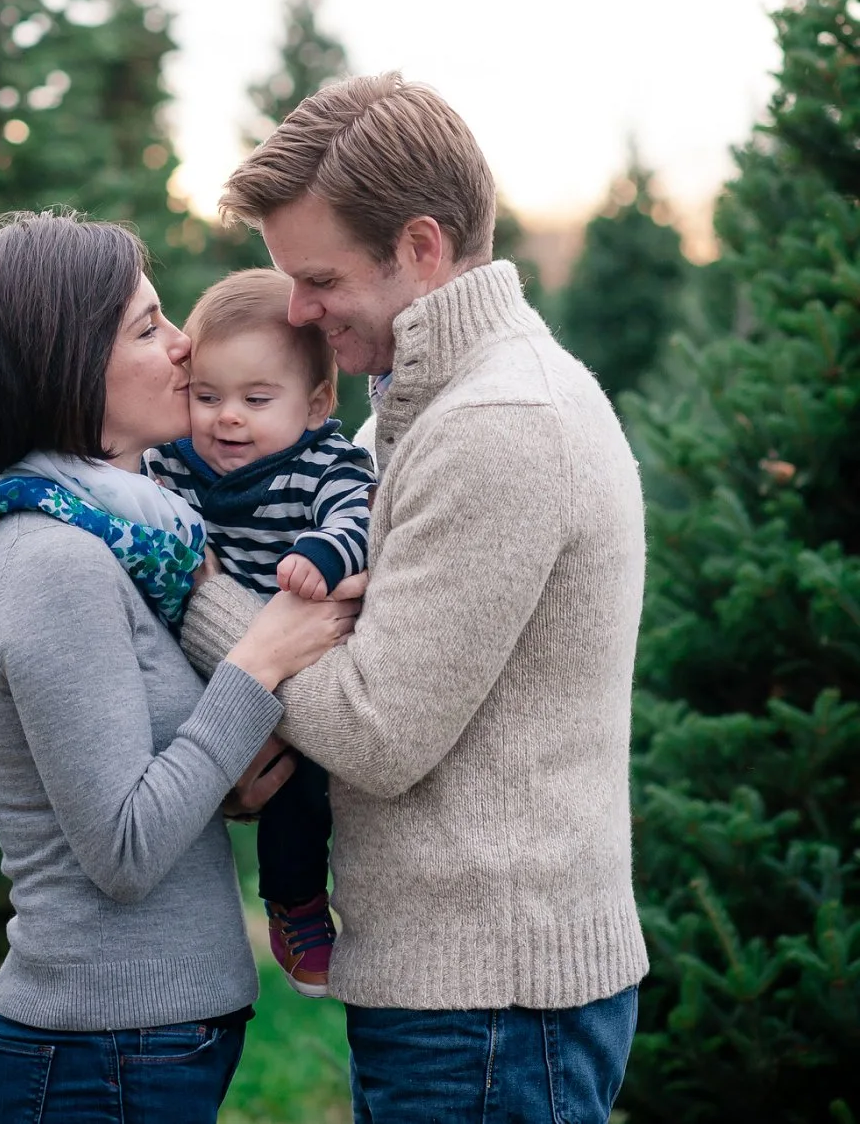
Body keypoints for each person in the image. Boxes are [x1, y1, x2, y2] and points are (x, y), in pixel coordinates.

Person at [175, 74, 647, 1124]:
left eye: (318, 278)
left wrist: (197, 592)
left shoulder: (499, 424)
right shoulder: (414, 407)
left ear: (421, 250)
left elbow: (377, 727)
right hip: (453, 990)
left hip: (490, 1002)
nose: (295, 311)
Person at [0, 210, 361, 1124]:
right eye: (148, 327)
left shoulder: (127, 536)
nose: (182, 347)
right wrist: (260, 658)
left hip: (139, 1044)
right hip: (103, 1053)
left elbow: (133, 782)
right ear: (66, 369)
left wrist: (228, 788)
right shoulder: (55, 560)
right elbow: (123, 850)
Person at [146, 266, 375, 998]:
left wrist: (322, 554)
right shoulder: (171, 463)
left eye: (255, 398)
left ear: (315, 404)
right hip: (201, 672)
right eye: (207, 396)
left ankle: (295, 898)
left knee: (301, 789)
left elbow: (362, 519)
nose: (227, 418)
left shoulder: (322, 463)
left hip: (298, 672)